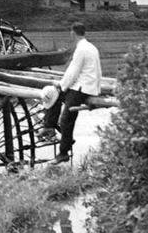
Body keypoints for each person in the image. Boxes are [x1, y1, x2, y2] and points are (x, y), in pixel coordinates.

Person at [39, 22, 102, 164]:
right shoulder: (91, 47)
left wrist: (62, 85)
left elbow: (73, 72)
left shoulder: (81, 49)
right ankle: (49, 126)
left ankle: (63, 152)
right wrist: (61, 86)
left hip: (82, 88)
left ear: (73, 33)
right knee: (56, 95)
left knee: (66, 118)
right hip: (87, 86)